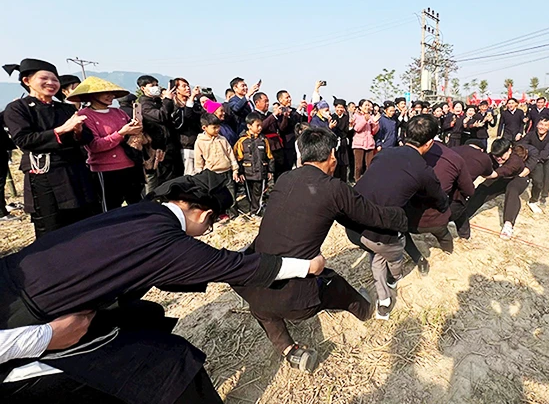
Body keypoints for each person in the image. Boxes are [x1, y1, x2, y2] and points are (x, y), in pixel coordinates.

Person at [0, 170, 326, 404]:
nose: (208, 232)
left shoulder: (145, 213)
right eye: (210, 225)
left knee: (147, 315)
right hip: (29, 321)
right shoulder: (164, 239)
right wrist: (305, 266)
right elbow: (232, 267)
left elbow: (181, 267)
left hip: (24, 289)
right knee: (172, 364)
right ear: (206, 214)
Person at [233, 127, 407, 371]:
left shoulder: (285, 179)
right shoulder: (335, 188)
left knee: (263, 309)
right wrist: (402, 217)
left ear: (301, 154)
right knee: (335, 284)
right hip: (295, 300)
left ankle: (289, 350)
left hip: (252, 284)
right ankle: (365, 310)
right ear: (333, 155)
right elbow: (373, 216)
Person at [350, 115, 449, 319]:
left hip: (352, 225)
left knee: (376, 256)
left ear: (405, 135)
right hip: (380, 233)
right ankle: (394, 279)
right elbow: (439, 199)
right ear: (430, 143)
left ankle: (384, 303)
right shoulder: (424, 171)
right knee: (393, 255)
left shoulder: (384, 154)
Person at [2, 59, 97, 238]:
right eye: (44, 78)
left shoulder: (65, 108)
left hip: (75, 171)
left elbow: (87, 138)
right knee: (52, 226)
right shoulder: (17, 108)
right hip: (44, 174)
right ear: (27, 81)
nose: (51, 83)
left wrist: (78, 132)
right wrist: (62, 130)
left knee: (85, 222)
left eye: (55, 80)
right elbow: (24, 139)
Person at [69, 77, 146, 212]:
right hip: (105, 170)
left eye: (112, 93)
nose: (111, 96)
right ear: (91, 95)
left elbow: (132, 135)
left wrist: (136, 129)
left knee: (138, 205)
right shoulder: (85, 116)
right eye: (105, 93)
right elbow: (95, 146)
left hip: (130, 165)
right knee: (110, 208)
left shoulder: (118, 112)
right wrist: (121, 133)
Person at [404, 141, 474, 264]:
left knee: (401, 235)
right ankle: (450, 251)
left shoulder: (405, 159)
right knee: (445, 237)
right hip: (437, 221)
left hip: (408, 220)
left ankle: (419, 259)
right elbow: (469, 190)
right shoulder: (454, 160)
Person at [454, 138, 535, 241]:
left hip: (517, 178)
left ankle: (508, 224)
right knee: (482, 189)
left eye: (502, 156)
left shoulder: (516, 160)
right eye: (496, 156)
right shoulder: (492, 157)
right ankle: (463, 215)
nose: (499, 159)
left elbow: (499, 172)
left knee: (512, 190)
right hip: (500, 178)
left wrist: (483, 172)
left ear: (509, 150)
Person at [137, 74, 181, 191]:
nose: (156, 87)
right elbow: (161, 116)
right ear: (143, 88)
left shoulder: (158, 102)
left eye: (157, 85)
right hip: (156, 150)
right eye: (152, 85)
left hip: (169, 147)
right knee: (159, 183)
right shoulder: (144, 105)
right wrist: (167, 100)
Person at [194, 113, 240, 218]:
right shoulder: (200, 142)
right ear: (204, 128)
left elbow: (230, 154)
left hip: (226, 172)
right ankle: (220, 214)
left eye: (218, 127)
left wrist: (235, 169)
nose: (217, 130)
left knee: (231, 195)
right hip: (212, 173)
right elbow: (198, 160)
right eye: (214, 127)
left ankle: (234, 215)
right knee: (216, 196)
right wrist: (200, 174)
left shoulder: (222, 140)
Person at [451, 139, 495, 238]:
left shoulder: (453, 149)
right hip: (458, 196)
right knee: (460, 211)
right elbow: (488, 175)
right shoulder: (484, 157)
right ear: (481, 149)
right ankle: (464, 236)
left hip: (441, 187)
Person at [234, 112, 274, 215]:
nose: (260, 128)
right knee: (249, 193)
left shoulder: (264, 140)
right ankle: (252, 209)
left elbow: (269, 156)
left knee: (259, 192)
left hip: (261, 172)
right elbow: (238, 158)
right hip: (247, 173)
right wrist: (240, 173)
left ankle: (256, 211)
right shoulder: (242, 141)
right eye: (257, 125)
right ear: (249, 126)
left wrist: (270, 170)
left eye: (261, 125)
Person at [519, 118, 549, 212]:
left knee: (538, 182)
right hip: (527, 160)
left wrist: (534, 156)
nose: (542, 127)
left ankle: (533, 200)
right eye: (541, 124)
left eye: (545, 125)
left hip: (539, 162)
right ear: (537, 125)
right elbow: (522, 145)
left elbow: (547, 151)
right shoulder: (530, 134)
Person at [168, 78, 204, 176]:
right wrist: (191, 100)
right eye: (184, 86)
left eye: (188, 85)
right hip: (186, 146)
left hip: (198, 144)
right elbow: (185, 121)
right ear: (176, 90)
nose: (188, 88)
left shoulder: (195, 105)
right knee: (189, 176)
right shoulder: (173, 106)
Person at [351, 99, 379, 180]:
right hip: (359, 144)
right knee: (358, 166)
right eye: (365, 105)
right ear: (360, 107)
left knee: (370, 165)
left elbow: (374, 131)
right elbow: (357, 128)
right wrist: (364, 120)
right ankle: (357, 180)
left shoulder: (371, 117)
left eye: (368, 105)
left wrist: (375, 123)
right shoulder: (356, 116)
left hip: (369, 144)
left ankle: (368, 181)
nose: (367, 107)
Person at [331, 98, 351, 182]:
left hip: (343, 142)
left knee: (344, 164)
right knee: (335, 163)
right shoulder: (332, 117)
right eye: (338, 107)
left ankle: (344, 182)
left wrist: (350, 127)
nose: (340, 109)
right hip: (334, 143)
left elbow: (346, 130)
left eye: (341, 107)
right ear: (335, 107)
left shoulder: (346, 117)